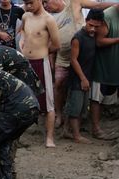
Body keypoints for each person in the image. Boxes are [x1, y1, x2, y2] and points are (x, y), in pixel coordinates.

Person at [43, 0, 116, 128]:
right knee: (59, 84)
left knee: (80, 88)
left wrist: (115, 5)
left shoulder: (74, 3)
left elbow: (98, 5)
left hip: (84, 58)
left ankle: (78, 119)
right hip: (63, 57)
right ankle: (59, 115)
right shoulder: (48, 17)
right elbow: (49, 41)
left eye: (46, 2)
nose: (45, 6)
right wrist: (51, 60)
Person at [20, 0, 60, 148]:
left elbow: (57, 44)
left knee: (48, 102)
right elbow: (22, 30)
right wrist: (23, 40)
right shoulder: (26, 16)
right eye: (26, 3)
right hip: (25, 62)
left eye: (30, 3)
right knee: (22, 97)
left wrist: (42, 52)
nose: (28, 6)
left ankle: (49, 138)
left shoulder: (48, 19)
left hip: (41, 63)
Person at [63, 9, 104, 144]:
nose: (93, 29)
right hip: (77, 78)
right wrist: (83, 78)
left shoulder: (93, 36)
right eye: (91, 25)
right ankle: (76, 135)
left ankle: (68, 131)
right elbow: (73, 60)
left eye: (96, 27)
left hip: (87, 76)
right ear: (86, 21)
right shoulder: (78, 37)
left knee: (81, 108)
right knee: (75, 108)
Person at [91, 4, 119, 139]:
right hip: (103, 65)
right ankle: (95, 129)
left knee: (108, 97)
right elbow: (99, 41)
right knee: (97, 98)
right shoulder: (108, 16)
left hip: (115, 65)